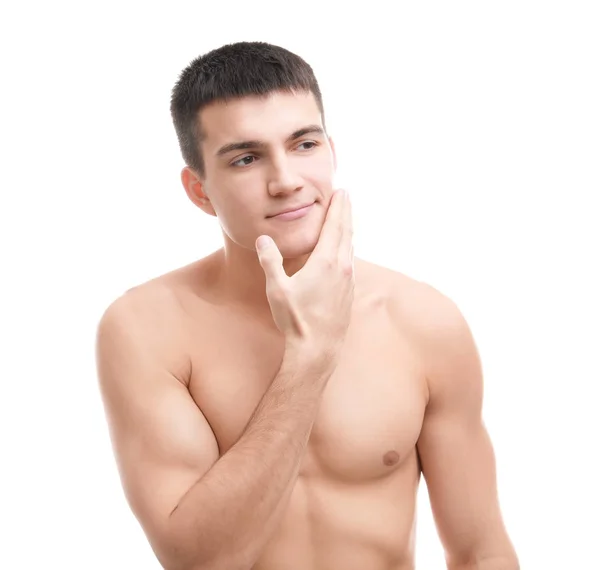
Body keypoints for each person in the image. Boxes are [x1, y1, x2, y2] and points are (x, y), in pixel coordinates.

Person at [95, 41, 519, 570]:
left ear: (331, 150)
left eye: (304, 144)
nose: (287, 181)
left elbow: (481, 552)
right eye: (246, 158)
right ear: (200, 191)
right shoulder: (147, 328)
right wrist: (309, 355)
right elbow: (203, 563)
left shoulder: (423, 322)